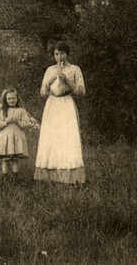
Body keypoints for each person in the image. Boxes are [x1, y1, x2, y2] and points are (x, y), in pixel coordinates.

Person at [34, 42, 87, 184]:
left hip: (66, 104)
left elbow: (81, 91)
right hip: (52, 105)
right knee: (51, 138)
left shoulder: (75, 69)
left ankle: (70, 178)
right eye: (56, 54)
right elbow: (42, 92)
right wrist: (51, 80)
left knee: (67, 138)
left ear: (67, 54)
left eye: (62, 53)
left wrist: (67, 81)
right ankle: (50, 176)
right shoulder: (50, 70)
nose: (59, 57)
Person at [0, 88, 34, 178]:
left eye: (13, 98)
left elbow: (27, 124)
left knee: (15, 159)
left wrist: (18, 122)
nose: (12, 100)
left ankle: (15, 178)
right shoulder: (2, 111)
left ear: (17, 99)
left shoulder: (21, 111)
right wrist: (6, 122)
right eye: (9, 99)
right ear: (5, 100)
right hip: (5, 137)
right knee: (5, 159)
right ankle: (5, 177)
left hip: (16, 136)